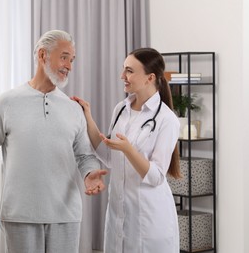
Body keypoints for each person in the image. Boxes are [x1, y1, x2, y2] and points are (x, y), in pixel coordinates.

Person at [0, 29, 107, 253]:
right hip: (20, 216)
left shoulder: (73, 108)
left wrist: (90, 175)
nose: (69, 65)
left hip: (66, 217)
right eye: (64, 56)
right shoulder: (8, 102)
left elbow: (84, 155)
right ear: (42, 55)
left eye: (72, 59)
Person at [72, 47, 181, 253]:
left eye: (129, 71)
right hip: (118, 217)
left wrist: (129, 150)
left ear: (150, 78)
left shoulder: (167, 120)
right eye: (124, 69)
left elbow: (156, 176)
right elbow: (109, 157)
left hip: (148, 221)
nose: (122, 76)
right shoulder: (121, 109)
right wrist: (87, 116)